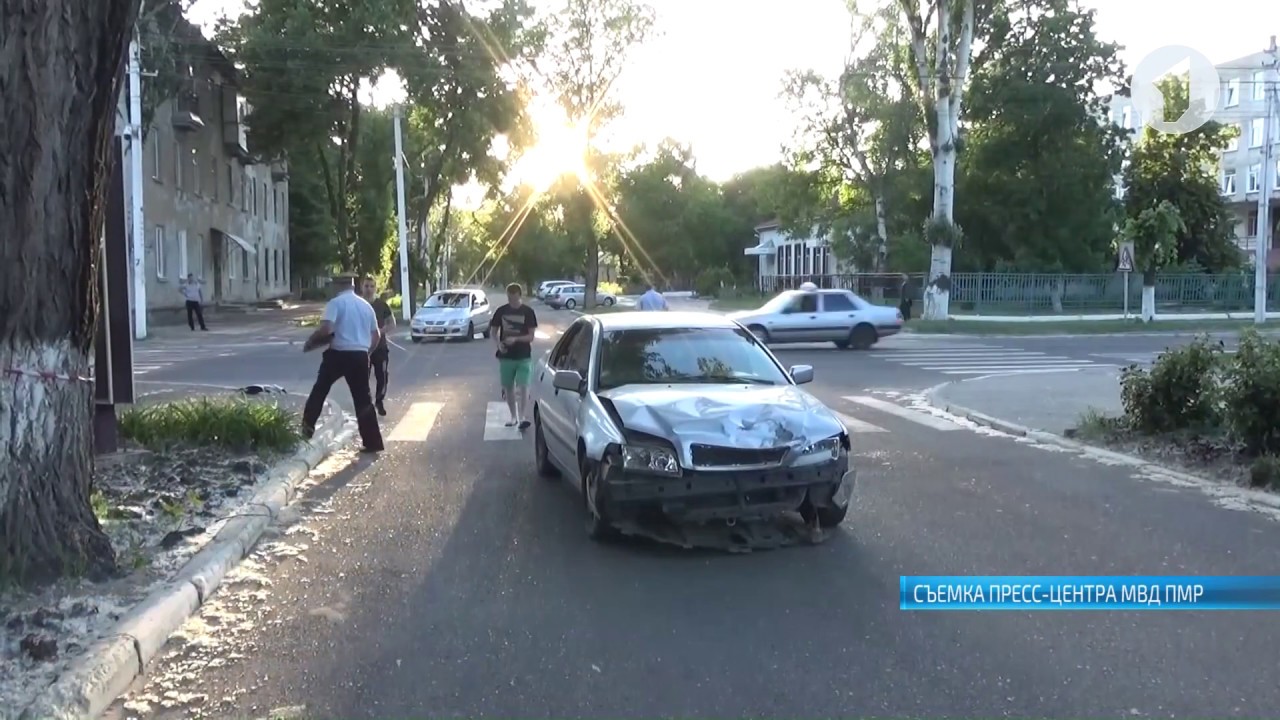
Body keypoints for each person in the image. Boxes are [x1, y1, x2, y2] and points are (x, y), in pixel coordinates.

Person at [301, 276, 384, 453]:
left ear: (339, 285)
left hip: (338, 354)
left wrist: (312, 341)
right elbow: (376, 335)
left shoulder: (335, 303)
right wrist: (366, 352)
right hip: (360, 356)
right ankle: (373, 442)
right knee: (363, 399)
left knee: (320, 389)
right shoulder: (366, 306)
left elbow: (326, 329)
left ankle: (307, 428)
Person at [489, 282, 538, 430]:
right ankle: (513, 417)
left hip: (523, 355)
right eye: (509, 299)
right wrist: (499, 345)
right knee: (508, 387)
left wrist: (516, 339)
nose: (512, 302)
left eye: (514, 299)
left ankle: (522, 417)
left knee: (524, 386)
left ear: (520, 296)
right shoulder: (501, 311)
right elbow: (493, 332)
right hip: (506, 356)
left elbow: (531, 336)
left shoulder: (528, 312)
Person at [361, 279, 395, 416]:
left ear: (376, 288)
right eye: (366, 286)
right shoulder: (358, 305)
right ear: (362, 287)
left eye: (372, 286)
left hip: (380, 348)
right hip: (362, 348)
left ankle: (379, 401)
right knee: (362, 378)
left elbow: (392, 324)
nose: (369, 289)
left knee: (382, 376)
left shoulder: (382, 305)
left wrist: (381, 331)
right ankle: (365, 404)